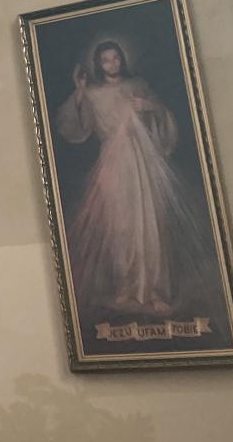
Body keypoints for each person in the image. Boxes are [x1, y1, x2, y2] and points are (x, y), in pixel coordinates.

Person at [54, 39, 205, 316]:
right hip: (113, 163)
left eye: (115, 58)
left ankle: (155, 290)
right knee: (120, 226)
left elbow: (164, 119)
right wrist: (79, 91)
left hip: (144, 161)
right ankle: (127, 287)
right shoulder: (94, 93)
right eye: (105, 60)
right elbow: (75, 126)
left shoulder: (138, 86)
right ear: (98, 65)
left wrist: (149, 107)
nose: (112, 64)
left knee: (150, 222)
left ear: (122, 59)